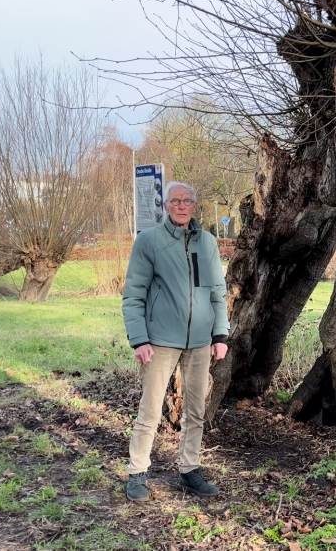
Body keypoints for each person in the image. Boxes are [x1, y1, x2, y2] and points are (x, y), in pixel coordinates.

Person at [121, 182, 230, 502]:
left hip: (199, 342)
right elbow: (133, 295)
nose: (182, 206)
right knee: (151, 409)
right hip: (159, 341)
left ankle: (189, 469)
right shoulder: (149, 242)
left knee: (196, 409)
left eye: (187, 201)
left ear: (195, 206)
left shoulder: (207, 242)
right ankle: (137, 472)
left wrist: (220, 334)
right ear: (166, 206)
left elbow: (216, 293)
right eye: (175, 201)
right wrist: (139, 339)